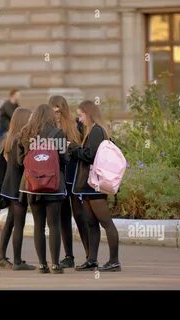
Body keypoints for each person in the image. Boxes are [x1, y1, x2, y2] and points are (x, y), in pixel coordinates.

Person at [69, 100, 121, 272]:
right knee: (91, 223)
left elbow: (90, 155)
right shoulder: (91, 130)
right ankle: (92, 260)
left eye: (81, 114)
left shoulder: (97, 131)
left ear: (89, 114)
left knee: (106, 222)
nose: (79, 118)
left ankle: (114, 261)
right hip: (88, 185)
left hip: (95, 186)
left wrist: (74, 148)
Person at [18, 104, 68, 274]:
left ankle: (42, 265)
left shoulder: (26, 134)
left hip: (32, 186)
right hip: (53, 185)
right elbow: (64, 159)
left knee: (38, 225)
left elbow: (20, 161)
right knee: (54, 225)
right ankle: (55, 264)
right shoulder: (58, 134)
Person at [48, 96, 89, 268]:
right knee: (63, 216)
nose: (56, 114)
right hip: (58, 176)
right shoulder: (47, 128)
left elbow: (84, 150)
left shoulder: (75, 125)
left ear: (64, 110)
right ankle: (69, 256)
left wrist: (70, 146)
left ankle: (90, 256)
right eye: (53, 110)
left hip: (75, 174)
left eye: (59, 110)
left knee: (79, 214)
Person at [0, 107, 35, 271]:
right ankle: (17, 262)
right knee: (19, 224)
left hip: (9, 186)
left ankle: (1, 257)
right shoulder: (20, 139)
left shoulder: (10, 138)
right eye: (30, 118)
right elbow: (20, 163)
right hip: (17, 188)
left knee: (10, 222)